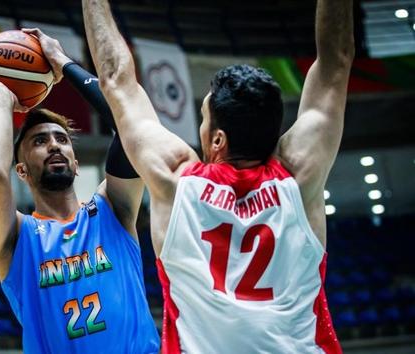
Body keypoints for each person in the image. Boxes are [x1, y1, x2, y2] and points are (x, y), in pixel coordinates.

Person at [83, 0, 353, 352]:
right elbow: (337, 61)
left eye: (203, 117)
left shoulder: (175, 180)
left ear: (217, 139)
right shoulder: (299, 177)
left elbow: (116, 78)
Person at [0, 28, 160, 353]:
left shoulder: (112, 208)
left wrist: (63, 63)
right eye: (40, 141)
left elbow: (131, 122)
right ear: (21, 170)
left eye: (61, 139)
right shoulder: (18, 236)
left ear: (75, 161)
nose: (54, 145)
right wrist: (2, 96)